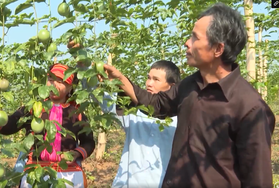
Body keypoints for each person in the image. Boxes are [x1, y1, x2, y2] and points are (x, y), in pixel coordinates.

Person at [102, 3, 276, 188]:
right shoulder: (190, 85)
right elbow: (156, 104)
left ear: (218, 49)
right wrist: (119, 79)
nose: (187, 42)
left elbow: (258, 181)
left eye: (195, 37)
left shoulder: (250, 108)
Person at [0, 63, 95, 188]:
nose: (53, 84)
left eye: (60, 81)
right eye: (51, 79)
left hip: (67, 174)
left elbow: (89, 142)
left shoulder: (77, 113)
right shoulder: (34, 108)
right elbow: (9, 125)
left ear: (70, 87)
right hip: (36, 172)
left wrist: (76, 153)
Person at [99, 60, 181, 188]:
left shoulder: (179, 120)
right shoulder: (135, 111)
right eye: (148, 78)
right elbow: (105, 103)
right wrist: (85, 66)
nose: (149, 83)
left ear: (172, 87)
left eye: (156, 79)